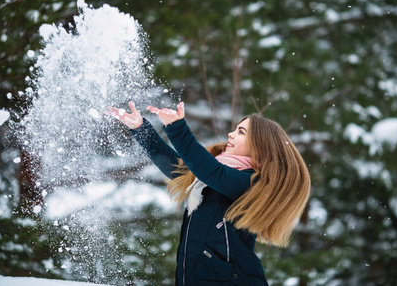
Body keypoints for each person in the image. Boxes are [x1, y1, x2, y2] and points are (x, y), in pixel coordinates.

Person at [106, 101, 311, 285]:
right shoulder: (213, 175)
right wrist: (140, 128)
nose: (231, 134)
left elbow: (209, 171)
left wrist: (177, 128)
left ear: (260, 145)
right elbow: (176, 167)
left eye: (241, 132)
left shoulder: (250, 183)